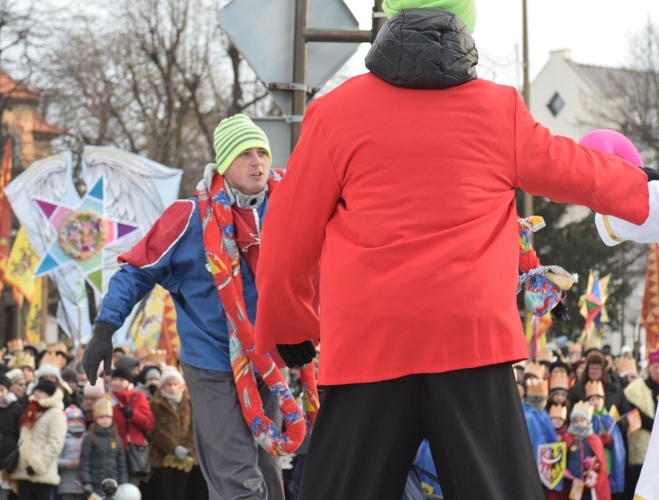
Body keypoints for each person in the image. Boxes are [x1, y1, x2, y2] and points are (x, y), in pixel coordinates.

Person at [250, 0, 659, 498]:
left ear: (389, 20)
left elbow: (289, 231)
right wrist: (637, 186)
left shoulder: (335, 114)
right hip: (470, 341)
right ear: (466, 24)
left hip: (369, 343)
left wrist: (288, 320)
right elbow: (569, 166)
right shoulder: (497, 109)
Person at [83, 114, 291, 500]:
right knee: (236, 475)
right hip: (213, 362)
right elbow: (136, 271)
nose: (258, 161)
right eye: (245, 153)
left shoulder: (290, 206)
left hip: (270, 359)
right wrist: (104, 329)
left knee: (267, 469)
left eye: (262, 151)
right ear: (224, 164)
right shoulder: (189, 216)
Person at [10, 378, 67, 500]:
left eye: (41, 391)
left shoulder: (56, 414)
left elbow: (55, 444)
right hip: (23, 471)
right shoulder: (31, 410)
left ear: (49, 395)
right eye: (36, 390)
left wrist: (37, 464)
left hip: (42, 473)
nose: (36, 393)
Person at [148, 367, 196, 500]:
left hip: (185, 455)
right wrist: (173, 447)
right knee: (166, 493)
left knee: (182, 493)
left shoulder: (189, 403)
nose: (173, 388)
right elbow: (154, 430)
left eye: (176, 384)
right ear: (163, 386)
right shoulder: (154, 404)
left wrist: (187, 448)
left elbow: (193, 428)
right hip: (163, 456)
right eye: (169, 384)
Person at [109, 367, 154, 485]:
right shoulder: (107, 399)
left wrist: (133, 414)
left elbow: (149, 423)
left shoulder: (138, 397)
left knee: (131, 489)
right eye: (114, 379)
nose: (117, 383)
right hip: (113, 449)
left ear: (129, 382)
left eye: (121, 380)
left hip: (133, 450)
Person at [622, 348, 659, 494]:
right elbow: (634, 416)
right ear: (649, 368)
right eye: (656, 367)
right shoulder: (635, 389)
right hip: (641, 450)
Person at [80, 395, 128, 497]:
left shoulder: (116, 438)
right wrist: (86, 482)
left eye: (108, 417)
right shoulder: (90, 438)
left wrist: (123, 482)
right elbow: (85, 461)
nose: (105, 420)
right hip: (96, 483)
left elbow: (122, 463)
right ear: (96, 419)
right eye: (101, 417)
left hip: (114, 483)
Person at [585, 381, 626, 496]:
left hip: (608, 459)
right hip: (593, 462)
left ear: (603, 400)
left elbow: (618, 442)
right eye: (592, 399)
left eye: (598, 398)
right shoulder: (586, 419)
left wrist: (611, 441)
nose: (595, 402)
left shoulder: (609, 419)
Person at [58, 405, 87, 500]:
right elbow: (55, 460)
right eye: (72, 420)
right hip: (67, 485)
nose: (76, 423)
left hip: (85, 485)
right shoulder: (62, 438)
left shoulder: (87, 438)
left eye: (79, 420)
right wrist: (69, 464)